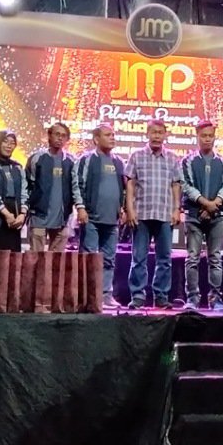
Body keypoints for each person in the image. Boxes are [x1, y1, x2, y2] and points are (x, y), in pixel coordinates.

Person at [125, 119, 183, 309]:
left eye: (160, 132)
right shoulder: (136, 156)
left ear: (165, 135)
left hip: (164, 214)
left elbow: (176, 185)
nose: (157, 136)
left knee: (164, 259)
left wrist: (177, 209)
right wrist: (130, 209)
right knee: (138, 258)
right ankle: (138, 296)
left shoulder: (172, 158)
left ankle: (161, 296)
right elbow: (130, 184)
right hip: (141, 214)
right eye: (153, 132)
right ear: (147, 134)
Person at [181, 120, 223, 310]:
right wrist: (205, 203)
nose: (207, 139)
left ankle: (215, 299)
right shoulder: (187, 161)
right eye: (204, 136)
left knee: (215, 258)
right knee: (192, 258)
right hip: (194, 216)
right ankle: (192, 299)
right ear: (197, 136)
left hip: (217, 216)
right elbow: (186, 186)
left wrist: (214, 204)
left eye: (211, 136)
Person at [73, 123, 126, 309]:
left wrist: (123, 208)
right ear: (96, 139)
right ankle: (86, 297)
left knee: (109, 259)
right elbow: (77, 184)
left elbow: (124, 189)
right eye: (107, 135)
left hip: (112, 220)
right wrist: (81, 207)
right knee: (88, 258)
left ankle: (105, 296)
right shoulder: (86, 160)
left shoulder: (119, 162)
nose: (112, 138)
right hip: (91, 218)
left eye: (113, 134)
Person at [26, 122, 75, 253]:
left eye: (64, 136)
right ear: (49, 135)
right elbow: (28, 185)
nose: (60, 138)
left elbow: (75, 188)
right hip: (38, 216)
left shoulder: (71, 161)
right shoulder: (37, 158)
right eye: (57, 134)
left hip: (62, 219)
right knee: (35, 258)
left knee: (56, 261)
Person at [0, 130, 29, 251]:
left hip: (15, 218)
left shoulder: (17, 167)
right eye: (5, 141)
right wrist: (6, 214)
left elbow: (24, 191)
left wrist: (22, 214)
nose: (9, 145)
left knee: (13, 257)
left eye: (12, 143)